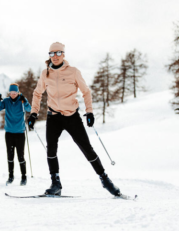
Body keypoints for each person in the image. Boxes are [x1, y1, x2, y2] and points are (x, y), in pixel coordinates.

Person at [27, 42, 122, 196]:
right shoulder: (46, 74)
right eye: (52, 53)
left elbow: (86, 91)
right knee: (51, 149)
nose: (55, 56)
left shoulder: (73, 72)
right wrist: (33, 113)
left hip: (72, 117)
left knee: (87, 149)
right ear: (49, 56)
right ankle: (55, 183)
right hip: (53, 117)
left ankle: (105, 180)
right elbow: (37, 93)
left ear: (63, 54)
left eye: (58, 53)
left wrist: (89, 112)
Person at [0, 84, 32, 186]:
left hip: (20, 133)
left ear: (18, 93)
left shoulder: (21, 100)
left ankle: (24, 177)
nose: (13, 95)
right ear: (9, 93)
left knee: (21, 156)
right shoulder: (6, 101)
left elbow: (29, 109)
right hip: (9, 133)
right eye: (11, 93)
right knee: (10, 156)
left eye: (15, 93)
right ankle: (10, 177)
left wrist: (25, 101)